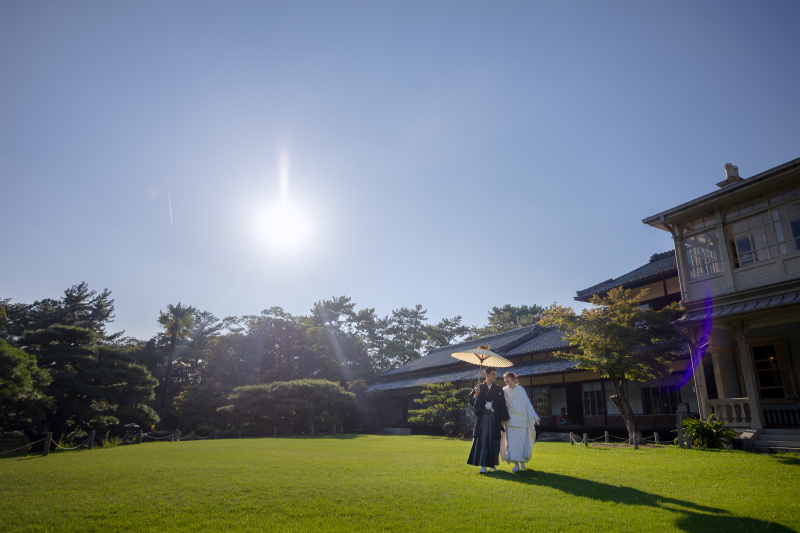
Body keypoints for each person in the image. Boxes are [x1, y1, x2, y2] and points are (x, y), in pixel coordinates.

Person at [467, 367, 509, 474]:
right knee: (484, 440)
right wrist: (476, 394)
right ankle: (484, 465)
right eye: (493, 374)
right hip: (483, 418)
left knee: (494, 441)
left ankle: (492, 464)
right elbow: (471, 400)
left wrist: (503, 418)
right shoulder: (479, 387)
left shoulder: (498, 389)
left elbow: (502, 404)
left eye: (495, 374)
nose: (495, 376)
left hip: (495, 418)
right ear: (486, 374)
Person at [500, 372, 540, 473]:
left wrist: (535, 417)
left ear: (514, 378)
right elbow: (502, 405)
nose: (505, 380)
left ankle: (522, 461)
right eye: (504, 378)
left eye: (507, 377)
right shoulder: (504, 390)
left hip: (522, 419)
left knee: (522, 442)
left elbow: (527, 404)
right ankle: (516, 464)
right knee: (512, 443)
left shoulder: (521, 389)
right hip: (510, 419)